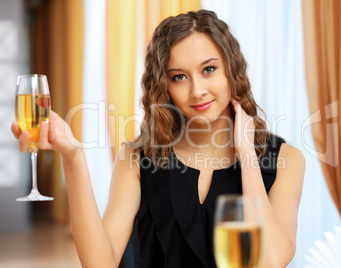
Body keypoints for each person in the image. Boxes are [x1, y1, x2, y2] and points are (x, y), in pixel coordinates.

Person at [12, 9, 305, 268]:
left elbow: (271, 261)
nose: (197, 90)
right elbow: (99, 263)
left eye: (209, 69)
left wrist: (247, 156)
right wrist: (73, 156)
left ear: (232, 71)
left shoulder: (286, 160)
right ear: (164, 87)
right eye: (179, 76)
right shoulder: (137, 159)